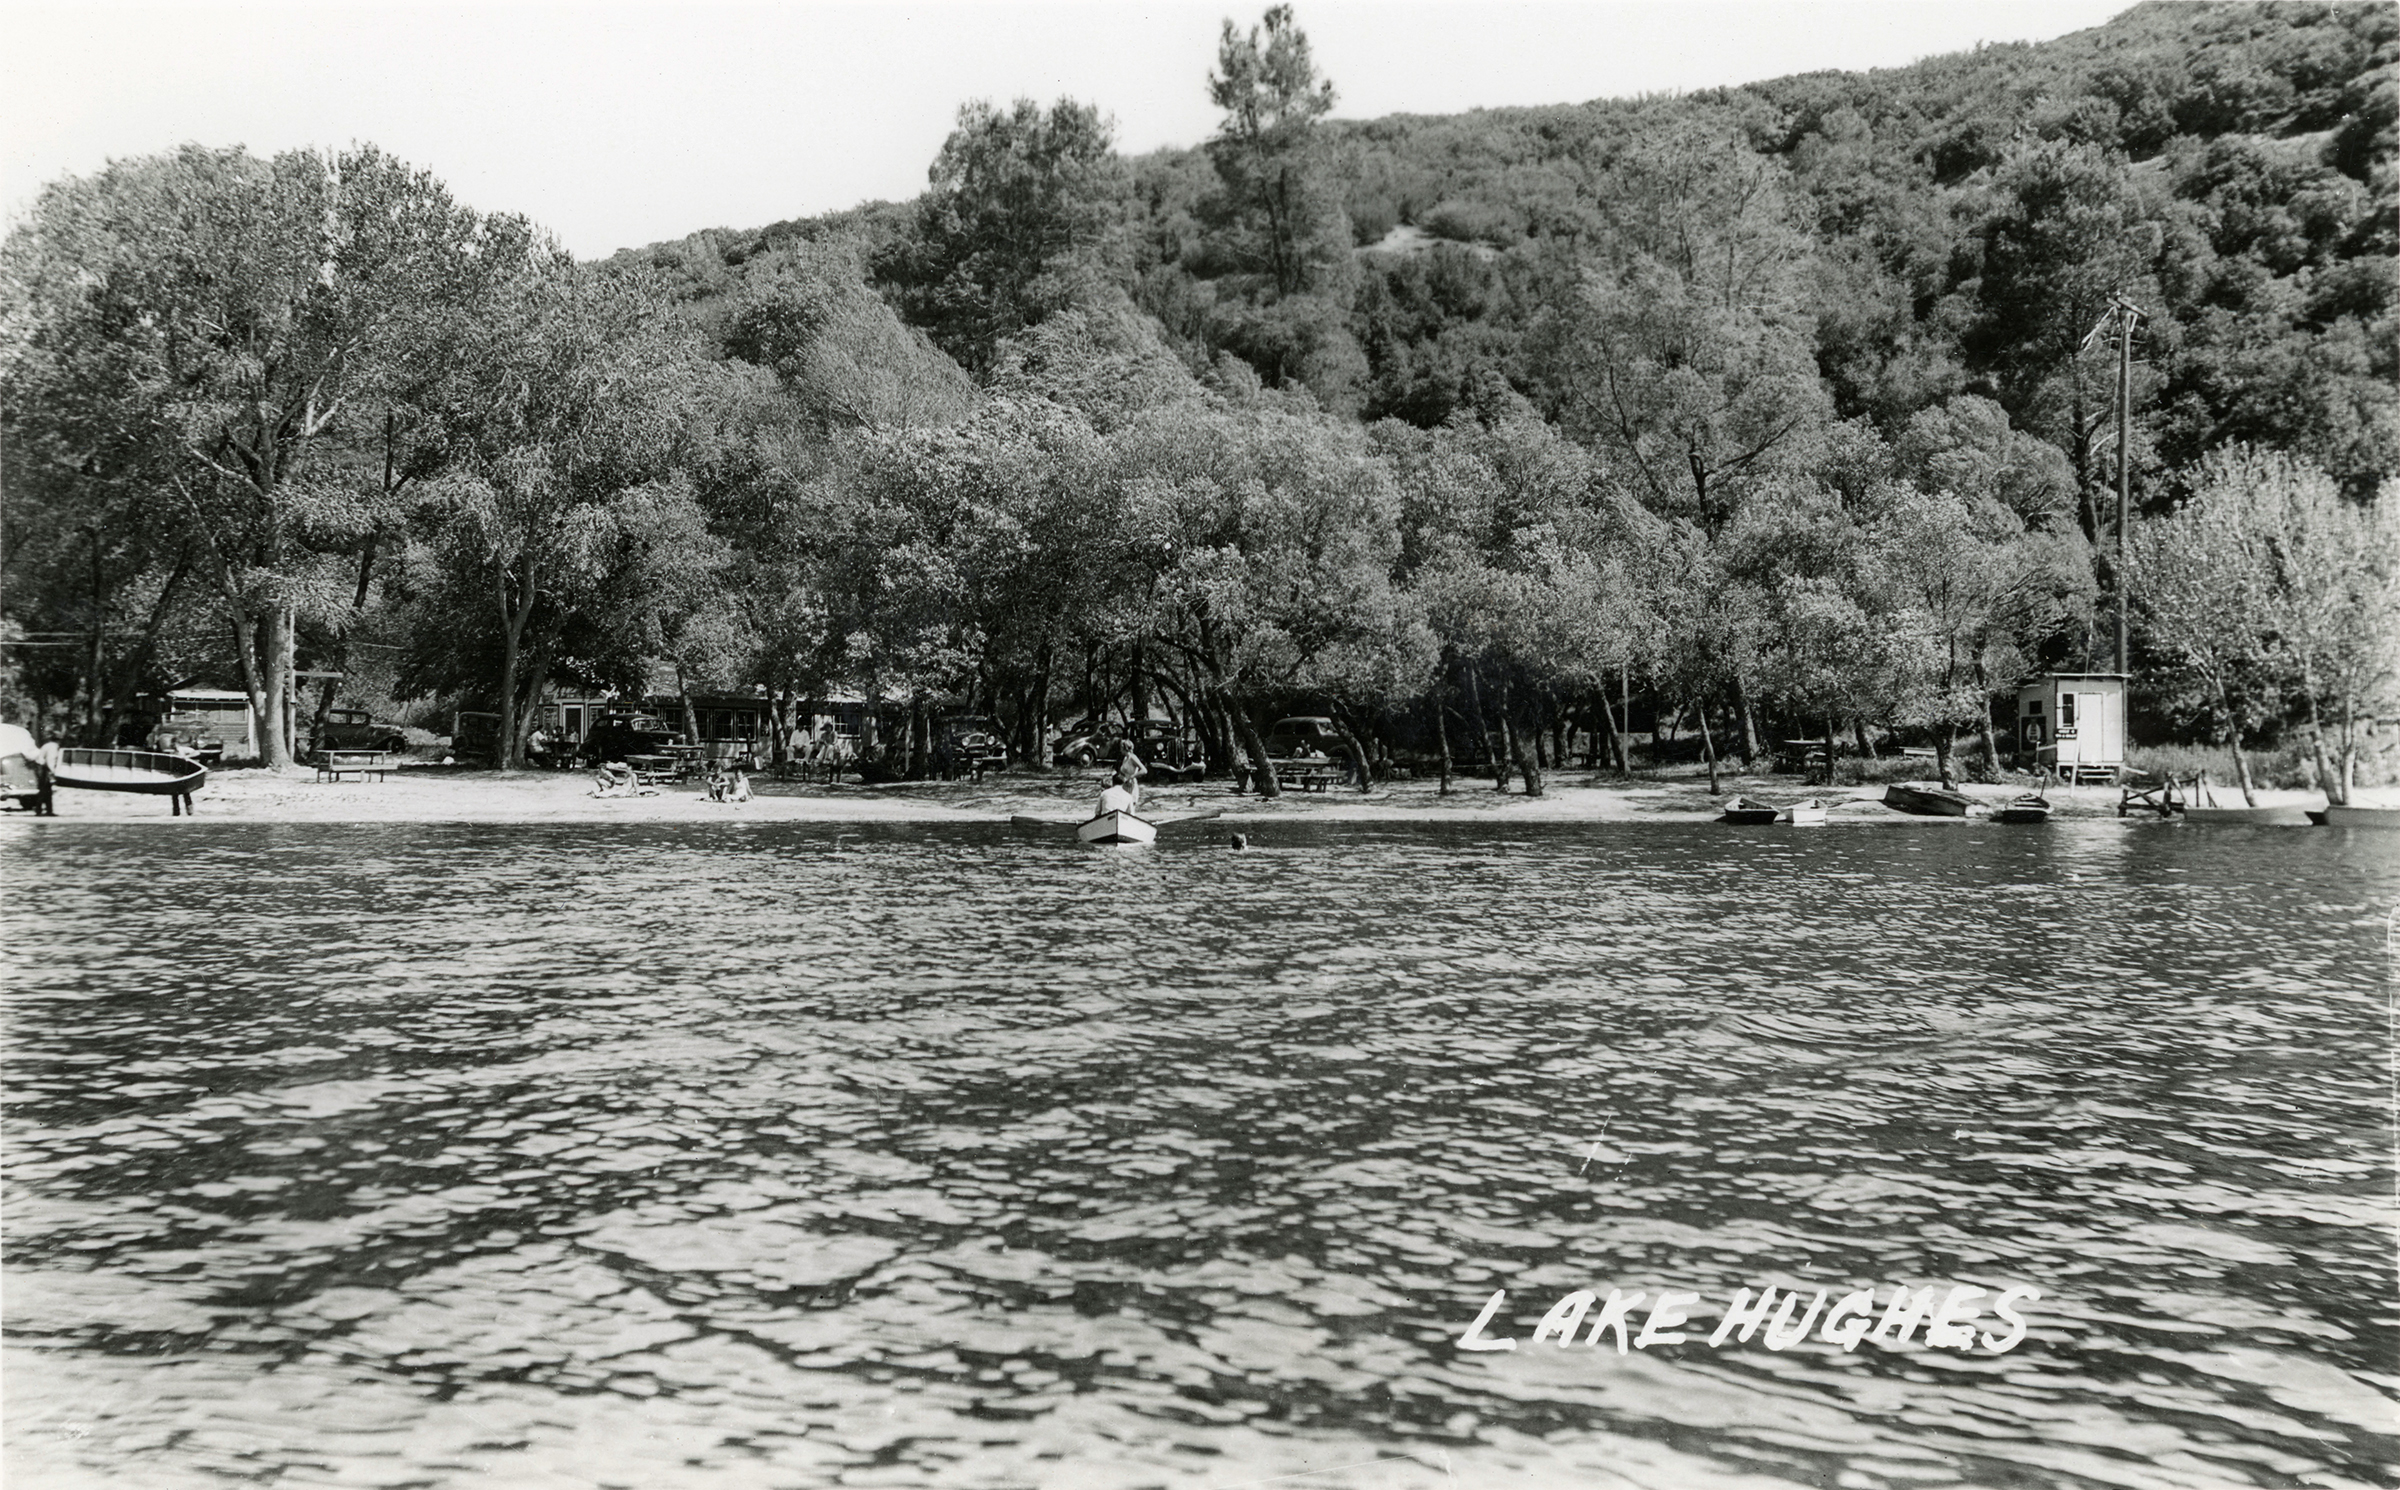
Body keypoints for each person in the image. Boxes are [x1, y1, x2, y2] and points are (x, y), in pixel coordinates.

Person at [33, 738, 60, 817]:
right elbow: (50, 760)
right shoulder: (53, 747)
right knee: (44, 790)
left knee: (46, 790)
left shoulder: (48, 745)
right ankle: (41, 810)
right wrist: (54, 772)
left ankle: (47, 810)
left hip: (40, 768)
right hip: (43, 769)